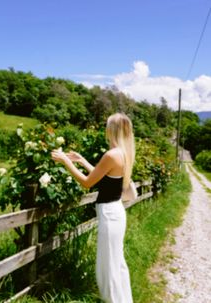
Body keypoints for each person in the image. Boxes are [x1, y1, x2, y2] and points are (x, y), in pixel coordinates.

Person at [51, 112, 135, 303]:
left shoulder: (111, 155)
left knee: (108, 265)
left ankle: (113, 300)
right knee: (116, 261)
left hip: (109, 214)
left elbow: (88, 183)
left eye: (107, 125)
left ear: (111, 130)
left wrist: (65, 161)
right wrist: (81, 161)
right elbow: (103, 178)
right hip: (116, 213)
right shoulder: (122, 153)